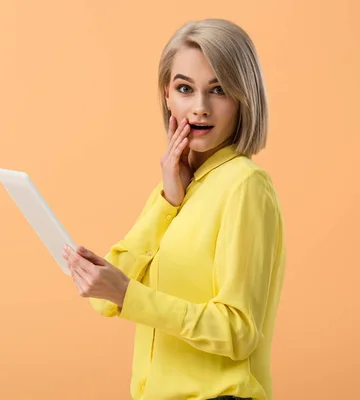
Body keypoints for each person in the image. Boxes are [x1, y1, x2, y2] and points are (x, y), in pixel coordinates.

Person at [62, 18, 286, 400]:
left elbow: (238, 331)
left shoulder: (245, 186)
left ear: (243, 98)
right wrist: (168, 201)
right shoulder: (174, 191)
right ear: (167, 95)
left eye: (218, 90)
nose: (199, 108)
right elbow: (104, 301)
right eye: (185, 88)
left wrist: (130, 295)